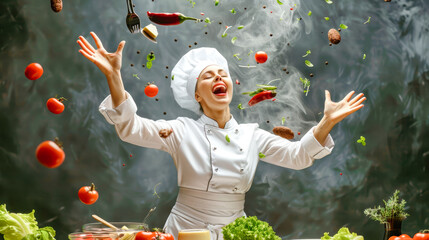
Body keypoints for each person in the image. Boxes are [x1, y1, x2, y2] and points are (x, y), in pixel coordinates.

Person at [77, 32, 366, 240]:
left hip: (234, 233)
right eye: (208, 76)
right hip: (185, 232)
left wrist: (326, 122)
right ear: (196, 94)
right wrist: (114, 77)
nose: (218, 78)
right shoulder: (180, 130)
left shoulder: (252, 136)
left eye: (222, 74)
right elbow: (131, 128)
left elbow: (299, 156)